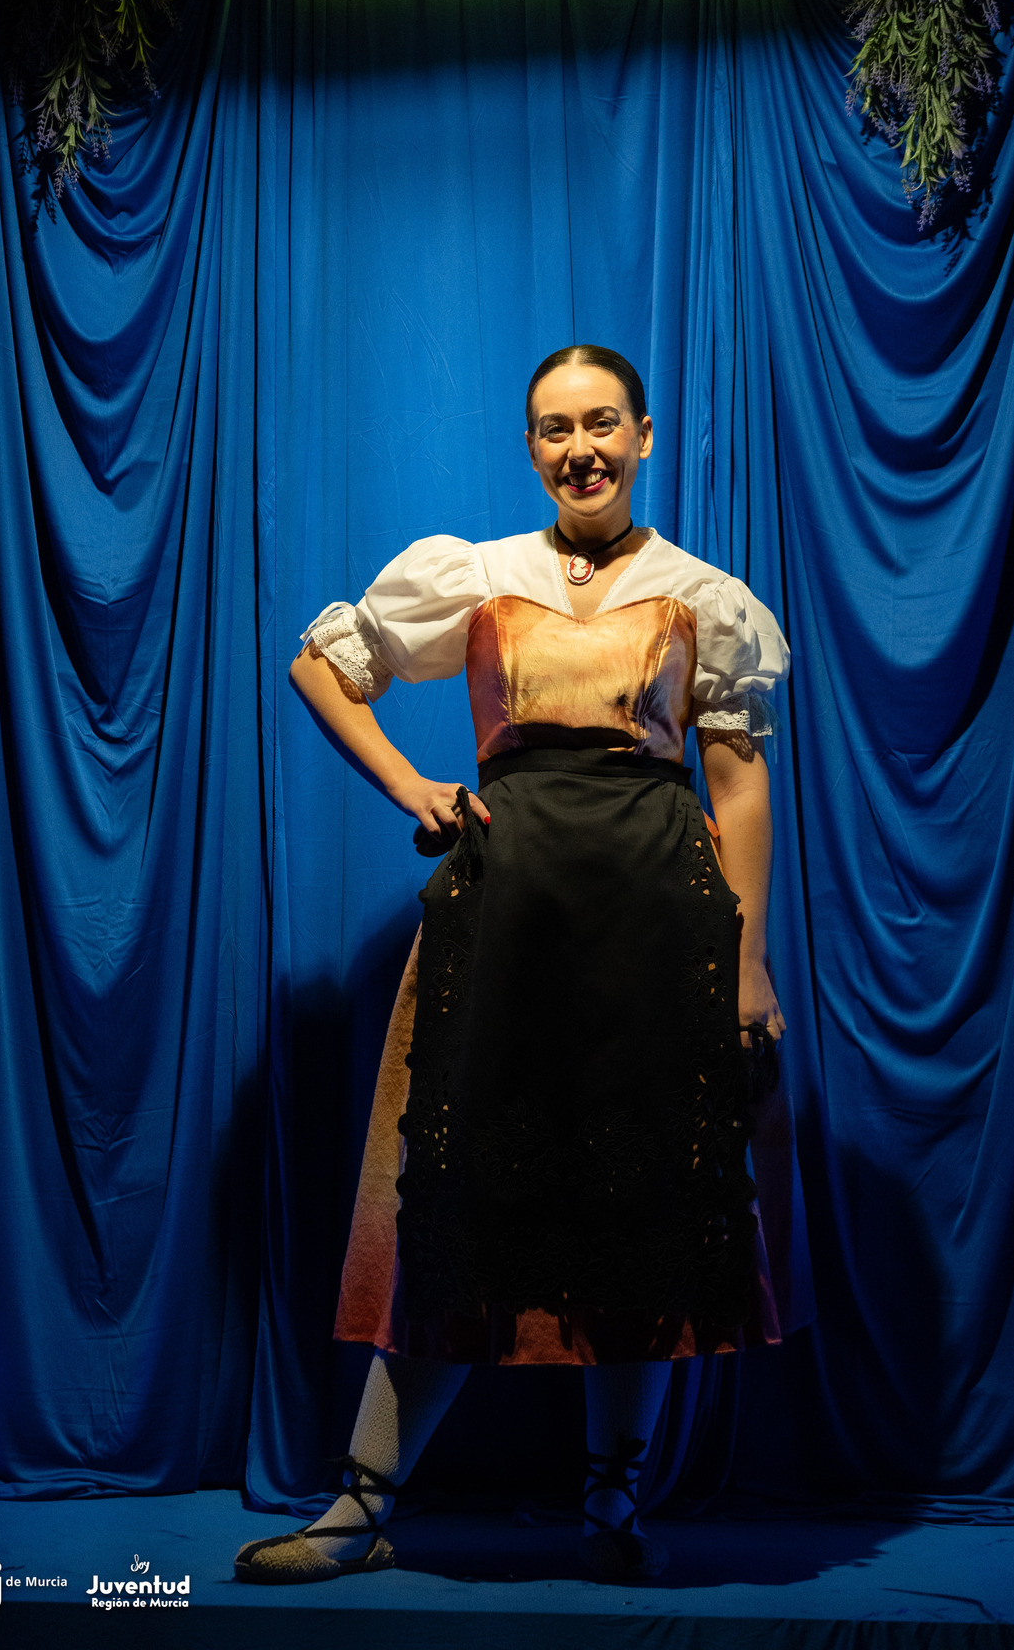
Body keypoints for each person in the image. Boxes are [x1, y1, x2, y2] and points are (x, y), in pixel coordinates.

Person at [236, 344, 791, 1586]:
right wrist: (410, 783)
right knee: (455, 1205)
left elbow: (740, 790)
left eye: (601, 424)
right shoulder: (478, 577)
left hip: (659, 930)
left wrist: (746, 963)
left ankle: (612, 1506)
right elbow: (324, 663)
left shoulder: (708, 598)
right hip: (504, 926)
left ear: (643, 434)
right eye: (554, 429)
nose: (579, 449)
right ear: (531, 446)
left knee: (642, 1212)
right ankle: (362, 1506)